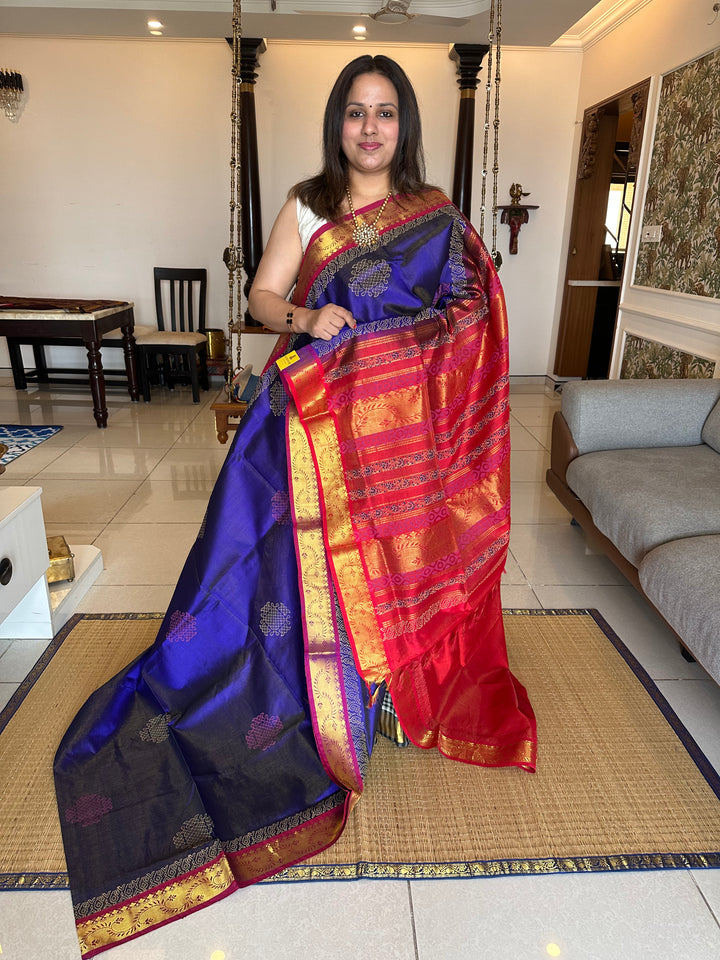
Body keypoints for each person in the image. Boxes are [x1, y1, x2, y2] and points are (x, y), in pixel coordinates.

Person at [54, 55, 536, 959]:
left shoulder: (433, 215)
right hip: (312, 431)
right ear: (336, 122)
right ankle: (325, 707)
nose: (369, 129)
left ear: (405, 124)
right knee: (292, 577)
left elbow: (471, 309)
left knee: (395, 564)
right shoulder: (309, 207)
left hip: (400, 441)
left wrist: (431, 338)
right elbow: (264, 296)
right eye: (355, 113)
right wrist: (307, 321)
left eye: (385, 113)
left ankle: (394, 692)